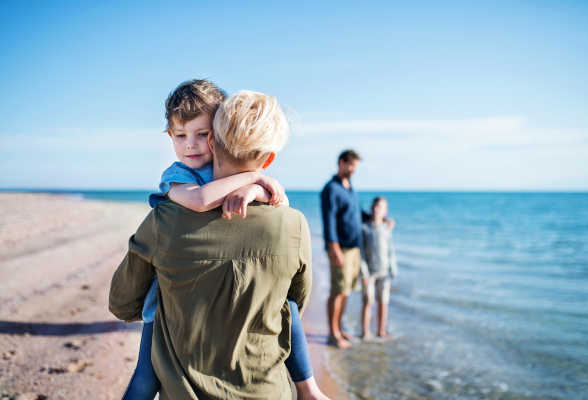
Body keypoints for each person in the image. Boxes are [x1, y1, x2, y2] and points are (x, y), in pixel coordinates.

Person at [112, 86, 327, 399]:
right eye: (181, 136)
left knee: (147, 370)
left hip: (184, 388)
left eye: (201, 134)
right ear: (268, 159)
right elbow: (294, 304)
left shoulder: (165, 222)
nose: (192, 145)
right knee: (286, 305)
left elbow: (121, 304)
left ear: (213, 138)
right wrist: (255, 180)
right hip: (267, 391)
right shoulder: (293, 224)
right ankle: (309, 389)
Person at [320, 150, 363, 349]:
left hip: (354, 249)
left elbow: (355, 213)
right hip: (341, 249)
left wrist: (376, 218)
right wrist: (334, 247)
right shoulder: (331, 189)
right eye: (351, 165)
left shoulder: (350, 188)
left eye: (356, 166)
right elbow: (328, 221)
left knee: (346, 291)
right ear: (341, 163)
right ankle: (332, 334)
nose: (353, 169)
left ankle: (340, 328)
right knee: (337, 291)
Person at [360, 197, 398, 339]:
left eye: (380, 207)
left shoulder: (386, 228)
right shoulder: (364, 228)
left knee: (383, 302)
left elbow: (390, 250)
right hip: (369, 273)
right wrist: (363, 272)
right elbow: (361, 252)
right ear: (371, 208)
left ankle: (381, 331)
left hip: (384, 272)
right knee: (367, 302)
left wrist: (393, 268)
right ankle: (365, 332)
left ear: (385, 211)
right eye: (375, 207)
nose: (376, 210)